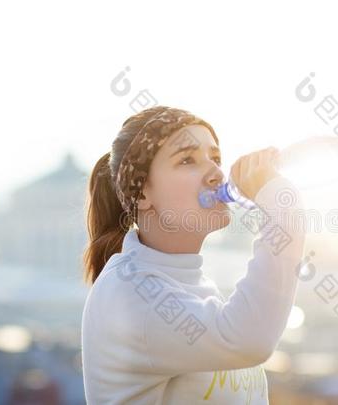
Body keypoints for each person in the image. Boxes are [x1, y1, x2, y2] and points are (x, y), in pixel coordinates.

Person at [81, 105, 306, 404]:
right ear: (142, 193)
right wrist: (281, 204)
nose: (215, 173)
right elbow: (251, 339)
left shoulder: (192, 286)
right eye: (187, 159)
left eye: (215, 158)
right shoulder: (130, 293)